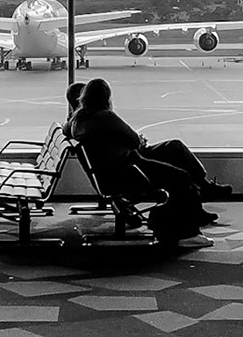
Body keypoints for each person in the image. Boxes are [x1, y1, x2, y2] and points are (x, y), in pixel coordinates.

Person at [67, 78, 230, 232]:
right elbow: (133, 139)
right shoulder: (105, 116)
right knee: (180, 172)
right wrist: (139, 140)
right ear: (106, 98)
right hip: (130, 167)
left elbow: (67, 129)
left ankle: (203, 190)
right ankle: (197, 203)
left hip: (116, 168)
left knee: (174, 148)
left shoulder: (77, 121)